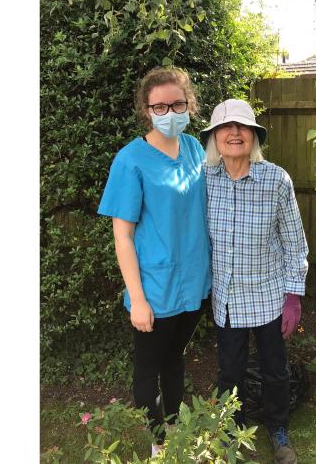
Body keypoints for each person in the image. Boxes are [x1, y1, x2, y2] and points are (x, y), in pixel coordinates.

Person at [97, 67, 211, 458]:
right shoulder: (131, 160)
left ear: (189, 104)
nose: (169, 112)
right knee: (148, 371)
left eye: (177, 104)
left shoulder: (195, 149)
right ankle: (158, 441)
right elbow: (123, 236)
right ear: (147, 110)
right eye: (159, 106)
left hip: (194, 283)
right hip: (154, 290)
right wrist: (138, 299)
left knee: (175, 359)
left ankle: (175, 429)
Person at [199, 99, 309, 464]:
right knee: (229, 370)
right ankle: (233, 430)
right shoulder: (203, 180)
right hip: (227, 297)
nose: (234, 133)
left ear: (253, 136)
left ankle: (278, 429)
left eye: (242, 127)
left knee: (274, 369)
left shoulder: (276, 180)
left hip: (269, 295)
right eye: (225, 127)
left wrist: (293, 295)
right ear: (214, 137)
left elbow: (295, 243)